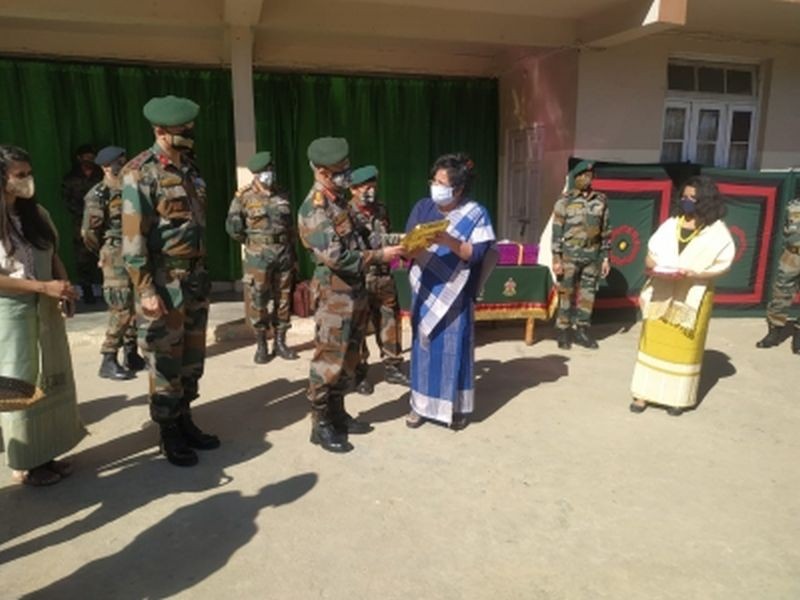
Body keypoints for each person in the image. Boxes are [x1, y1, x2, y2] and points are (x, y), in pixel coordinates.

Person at [121, 95, 219, 467]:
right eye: (181, 132)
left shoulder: (191, 171)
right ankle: (168, 432)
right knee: (165, 361)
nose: (188, 136)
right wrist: (145, 288)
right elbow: (133, 239)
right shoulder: (139, 172)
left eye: (189, 130)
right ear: (160, 131)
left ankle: (185, 418)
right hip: (164, 280)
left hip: (194, 278)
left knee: (192, 359)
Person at [297, 137, 403, 453]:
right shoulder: (314, 209)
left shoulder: (340, 202)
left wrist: (404, 240)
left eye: (345, 169)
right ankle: (320, 424)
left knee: (349, 358)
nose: (344, 176)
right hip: (334, 297)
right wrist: (381, 256)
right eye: (337, 171)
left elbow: (367, 236)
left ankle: (338, 414)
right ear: (319, 170)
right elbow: (338, 257)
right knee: (328, 360)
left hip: (355, 293)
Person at [0, 144, 86, 485]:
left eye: (29, 173)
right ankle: (25, 462)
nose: (27, 180)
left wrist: (63, 287)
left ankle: (47, 452)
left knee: (51, 378)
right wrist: (42, 289)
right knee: (19, 386)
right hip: (11, 313)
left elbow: (53, 255)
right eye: (20, 175)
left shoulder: (38, 215)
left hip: (46, 307)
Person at [404, 153, 496, 430]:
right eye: (434, 180)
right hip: (427, 288)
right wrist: (416, 244)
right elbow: (408, 244)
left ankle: (454, 408)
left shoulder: (476, 213)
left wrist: (449, 240)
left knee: (453, 350)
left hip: (456, 293)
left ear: (457, 189)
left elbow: (476, 253)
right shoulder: (423, 207)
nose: (435, 186)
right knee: (423, 347)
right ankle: (419, 406)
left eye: (441, 182)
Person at [630, 176, 735, 416]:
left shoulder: (716, 232)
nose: (687, 202)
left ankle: (676, 398)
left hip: (693, 295)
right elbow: (651, 254)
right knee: (653, 344)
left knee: (683, 346)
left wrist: (695, 272)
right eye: (684, 197)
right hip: (662, 291)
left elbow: (723, 264)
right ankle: (642, 394)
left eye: (693, 198)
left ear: (706, 201)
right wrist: (652, 265)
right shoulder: (671, 225)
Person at [226, 151, 299, 364]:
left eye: (270, 170)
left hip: (283, 252)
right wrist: (254, 244)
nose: (269, 174)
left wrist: (293, 254)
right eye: (264, 171)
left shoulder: (282, 193)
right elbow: (233, 227)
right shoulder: (244, 196)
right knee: (259, 299)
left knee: (283, 298)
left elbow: (290, 225)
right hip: (258, 257)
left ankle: (281, 342)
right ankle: (261, 344)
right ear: (255, 174)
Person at [82, 145, 146, 381]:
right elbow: (89, 233)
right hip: (115, 252)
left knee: (136, 304)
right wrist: (104, 252)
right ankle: (108, 359)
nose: (124, 164)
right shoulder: (98, 194)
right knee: (121, 308)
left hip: (136, 250)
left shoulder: (132, 188)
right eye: (119, 161)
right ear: (106, 166)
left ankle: (131, 354)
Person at [348, 164, 409, 395]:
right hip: (360, 277)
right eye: (365, 187)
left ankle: (393, 367)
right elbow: (370, 242)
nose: (370, 191)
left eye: (373, 186)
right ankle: (360, 373)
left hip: (383, 276)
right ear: (353, 189)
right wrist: (398, 240)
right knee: (359, 327)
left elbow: (385, 240)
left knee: (390, 322)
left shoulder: (381, 210)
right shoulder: (346, 213)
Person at [550, 161, 611, 350]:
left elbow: (606, 230)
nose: (587, 178)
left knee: (588, 294)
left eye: (590, 175)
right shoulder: (564, 201)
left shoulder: (600, 200)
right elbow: (557, 231)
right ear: (575, 178)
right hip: (569, 254)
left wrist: (606, 257)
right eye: (583, 175)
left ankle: (582, 330)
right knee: (566, 293)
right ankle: (563, 331)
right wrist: (556, 258)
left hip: (591, 255)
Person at [756, 196, 800, 354]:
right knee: (780, 294)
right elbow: (784, 231)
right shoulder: (792, 206)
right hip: (791, 256)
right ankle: (774, 332)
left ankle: (798, 336)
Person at [62, 144, 102, 303]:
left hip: (102, 221)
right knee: (83, 257)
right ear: (79, 158)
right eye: (86, 157)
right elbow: (67, 200)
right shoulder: (71, 178)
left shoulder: (101, 175)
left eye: (92, 157)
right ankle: (87, 291)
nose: (89, 160)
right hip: (81, 222)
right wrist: (85, 214)